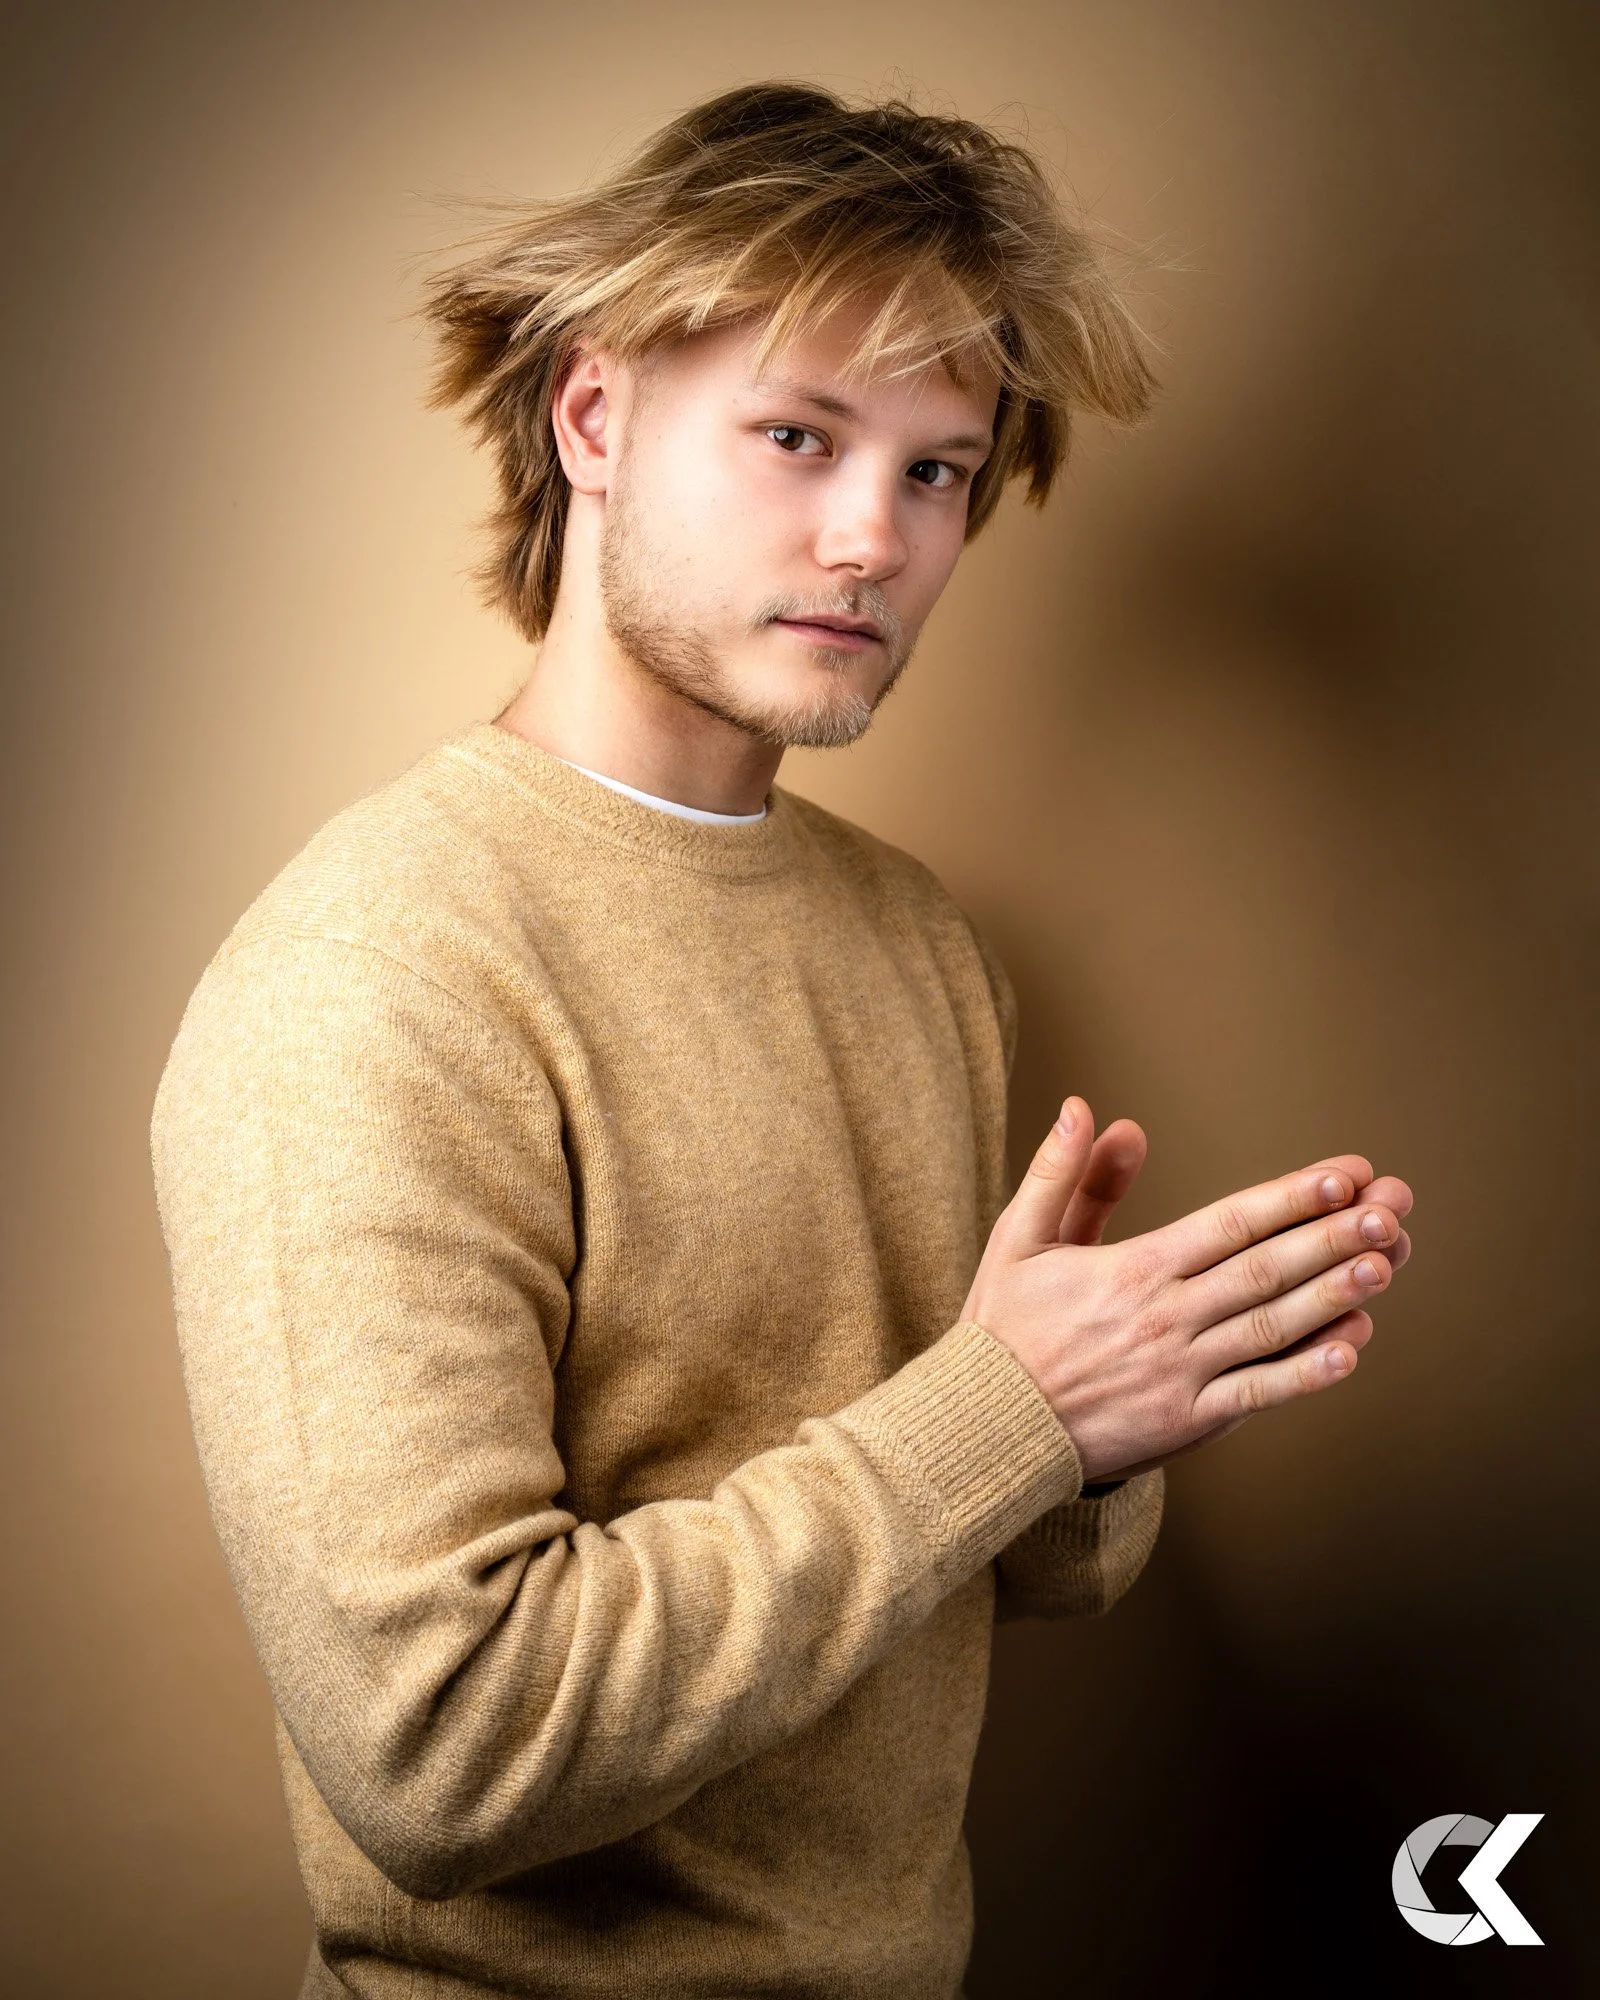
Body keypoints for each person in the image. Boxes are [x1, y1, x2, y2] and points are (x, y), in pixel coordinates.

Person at [151, 81, 1414, 2000]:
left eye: (936, 471)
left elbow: (1012, 1564)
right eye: (800, 436)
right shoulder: (375, 973)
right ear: (595, 418)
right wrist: (1008, 1403)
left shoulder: (921, 948)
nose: (872, 538)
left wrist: (1098, 1419)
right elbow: (443, 1748)